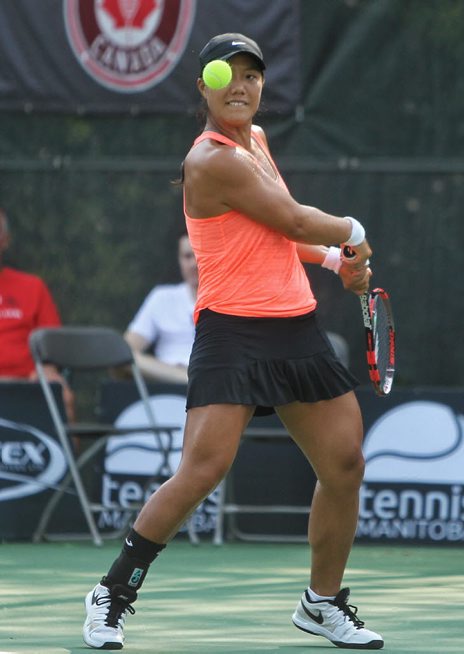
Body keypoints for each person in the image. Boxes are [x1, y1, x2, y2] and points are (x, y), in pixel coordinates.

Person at [83, 33, 383, 651]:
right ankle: (111, 593)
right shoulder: (210, 161)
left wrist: (333, 261)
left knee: (346, 463)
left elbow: (280, 234)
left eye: (253, 76)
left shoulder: (258, 144)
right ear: (204, 88)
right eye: (228, 77)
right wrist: (355, 233)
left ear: (262, 86)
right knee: (201, 471)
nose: (241, 87)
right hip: (232, 331)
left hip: (294, 326)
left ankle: (321, 603)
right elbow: (297, 217)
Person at [0, 209, 75, 422]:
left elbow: (52, 347)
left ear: (5, 241)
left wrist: (46, 371)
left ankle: (66, 457)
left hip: (28, 383)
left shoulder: (32, 287)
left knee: (63, 395)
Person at [124, 233, 197, 385]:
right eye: (187, 256)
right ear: (179, 260)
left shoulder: (231, 297)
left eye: (198, 254)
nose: (193, 263)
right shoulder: (162, 297)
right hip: (167, 385)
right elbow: (125, 351)